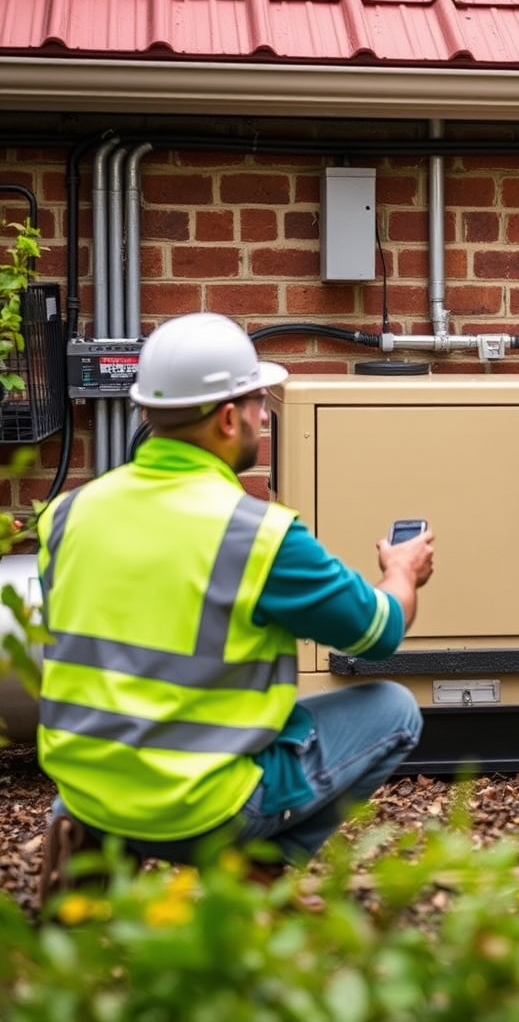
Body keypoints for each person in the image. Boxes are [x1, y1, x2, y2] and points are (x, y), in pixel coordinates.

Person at [36, 312, 434, 900]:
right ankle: (256, 869)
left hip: (86, 787)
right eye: (256, 404)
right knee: (394, 710)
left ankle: (90, 850)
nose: (260, 417)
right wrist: (402, 573)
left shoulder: (69, 513)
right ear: (229, 417)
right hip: (201, 810)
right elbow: (378, 631)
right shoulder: (258, 536)